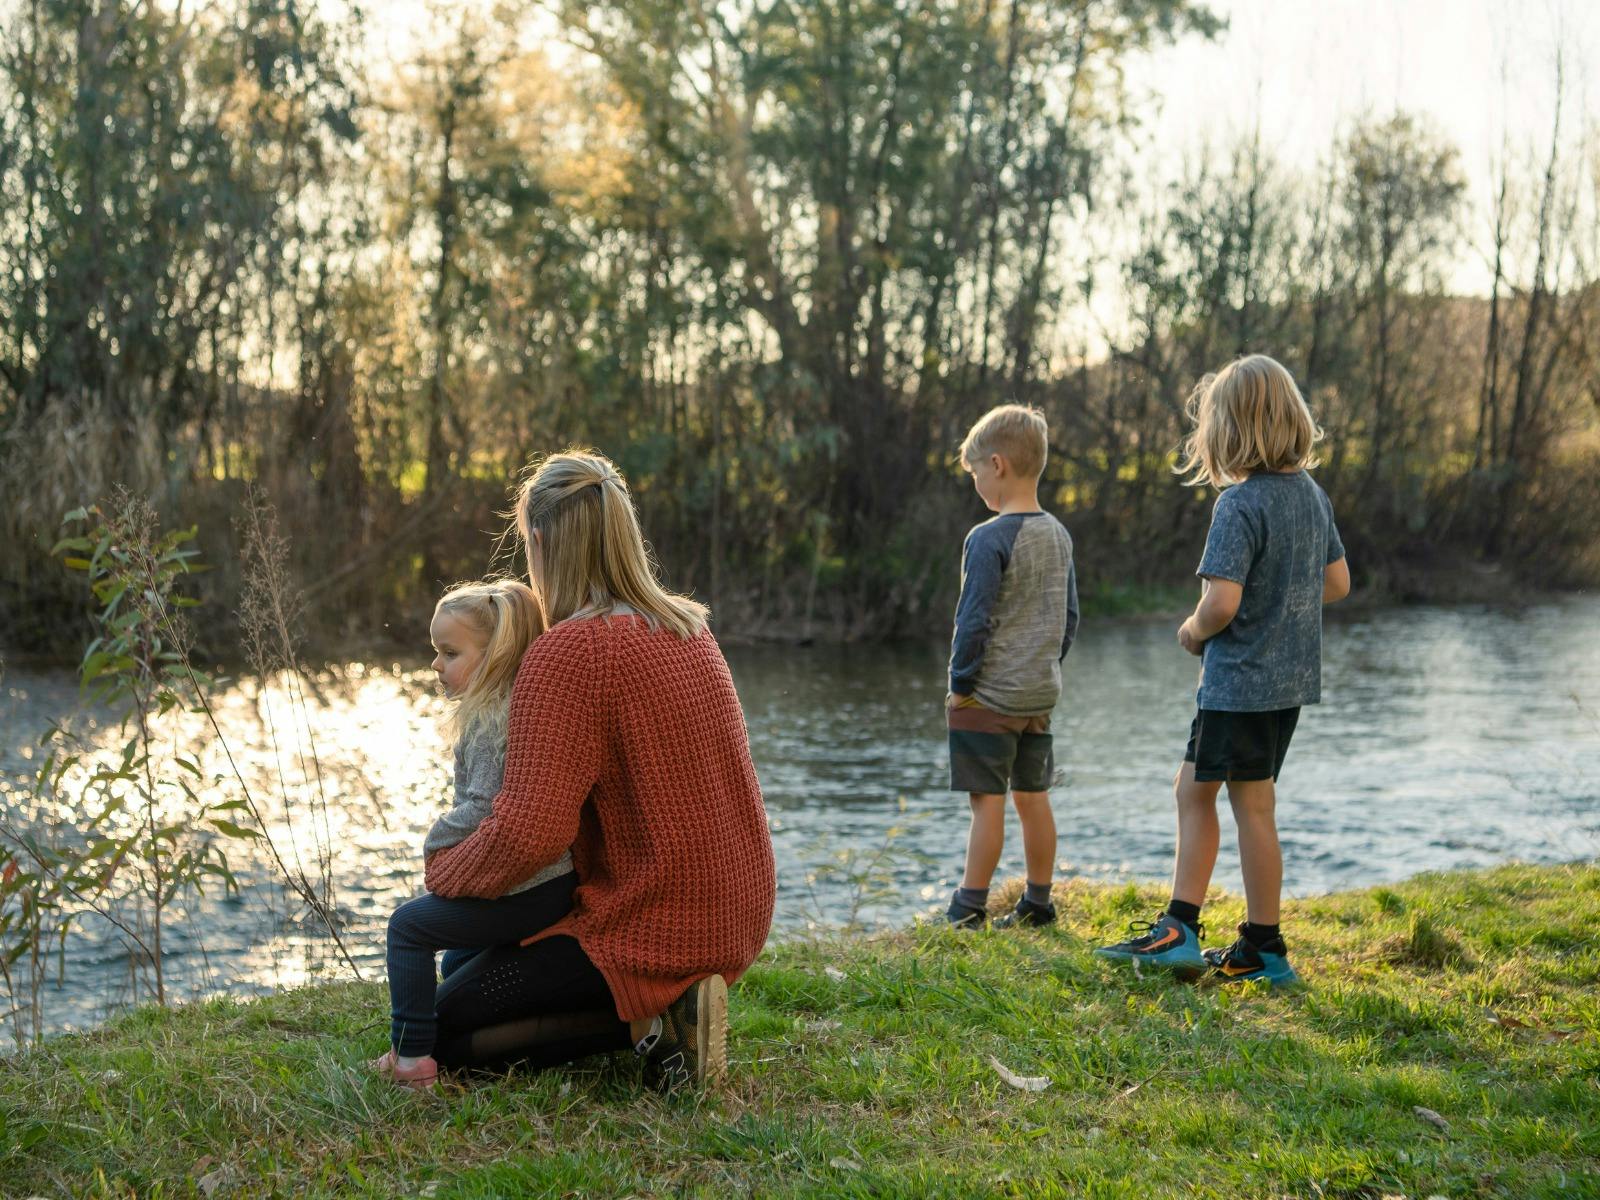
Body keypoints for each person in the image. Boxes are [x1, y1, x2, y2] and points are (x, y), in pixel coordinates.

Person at [419, 449, 776, 1091]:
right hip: (737, 905)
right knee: (466, 975)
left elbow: (531, 832)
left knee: (440, 1028)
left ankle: (655, 1021)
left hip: (654, 919)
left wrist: (443, 873)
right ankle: (662, 1005)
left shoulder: (570, 652)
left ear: (538, 539)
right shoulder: (688, 626)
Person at [1095, 355, 1350, 987]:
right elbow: (1339, 584)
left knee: (1208, 797)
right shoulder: (1312, 498)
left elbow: (1222, 603)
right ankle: (1252, 944)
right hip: (1287, 685)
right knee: (1235, 801)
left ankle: (1195, 933)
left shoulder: (1239, 504)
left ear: (1228, 432)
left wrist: (1191, 629)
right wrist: (1285, 603)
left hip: (1238, 684)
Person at [371, 579, 574, 1090]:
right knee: (459, 958)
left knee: (409, 929)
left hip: (529, 887)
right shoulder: (512, 707)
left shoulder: (490, 719)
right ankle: (454, 1031)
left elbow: (483, 806)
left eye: (450, 652)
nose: (436, 665)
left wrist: (437, 839)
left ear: (496, 655)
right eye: (435, 651)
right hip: (548, 883)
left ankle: (412, 1058)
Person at [943, 404, 1079, 929]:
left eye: (976, 471)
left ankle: (968, 906)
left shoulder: (987, 538)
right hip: (1040, 695)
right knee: (1033, 796)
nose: (976, 481)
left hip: (990, 696)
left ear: (997, 465)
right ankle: (1039, 902)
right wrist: (1046, 667)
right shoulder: (1059, 535)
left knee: (987, 803)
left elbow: (972, 621)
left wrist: (960, 685)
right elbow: (1070, 617)